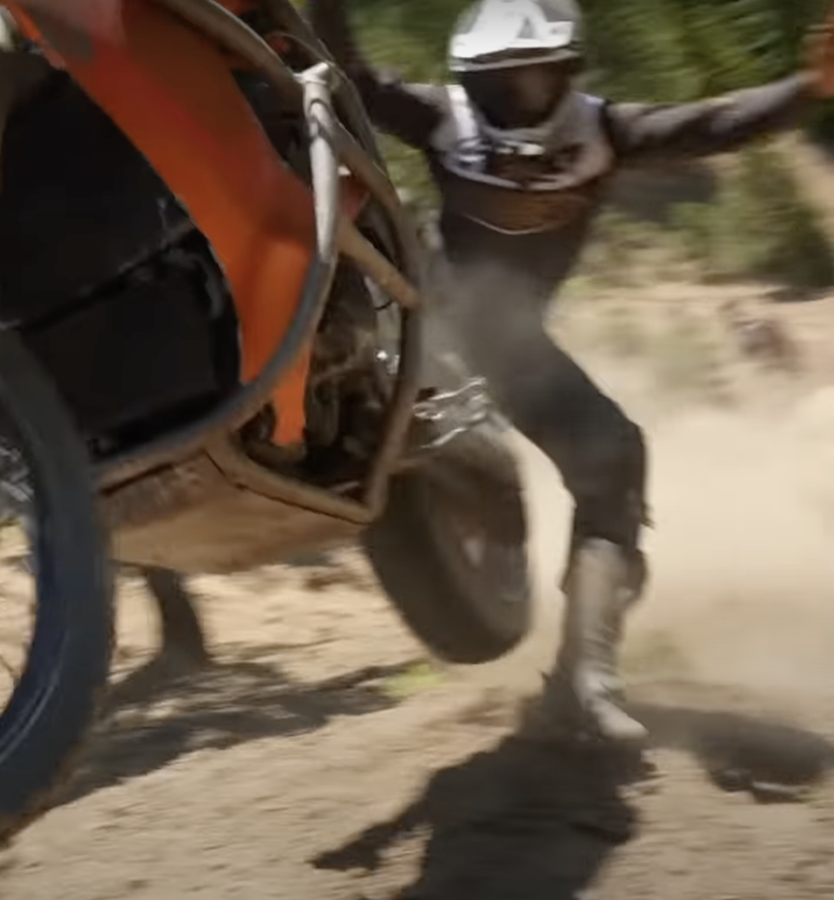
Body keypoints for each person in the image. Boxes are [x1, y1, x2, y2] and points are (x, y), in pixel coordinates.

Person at [306, 0, 834, 744]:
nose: (517, 98)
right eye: (500, 83)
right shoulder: (444, 119)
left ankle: (585, 678)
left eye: (533, 80)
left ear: (567, 73)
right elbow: (346, 76)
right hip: (427, 321)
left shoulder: (602, 132)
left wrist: (807, 91)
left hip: (513, 351)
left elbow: (716, 122)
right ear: (469, 81)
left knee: (615, 456)